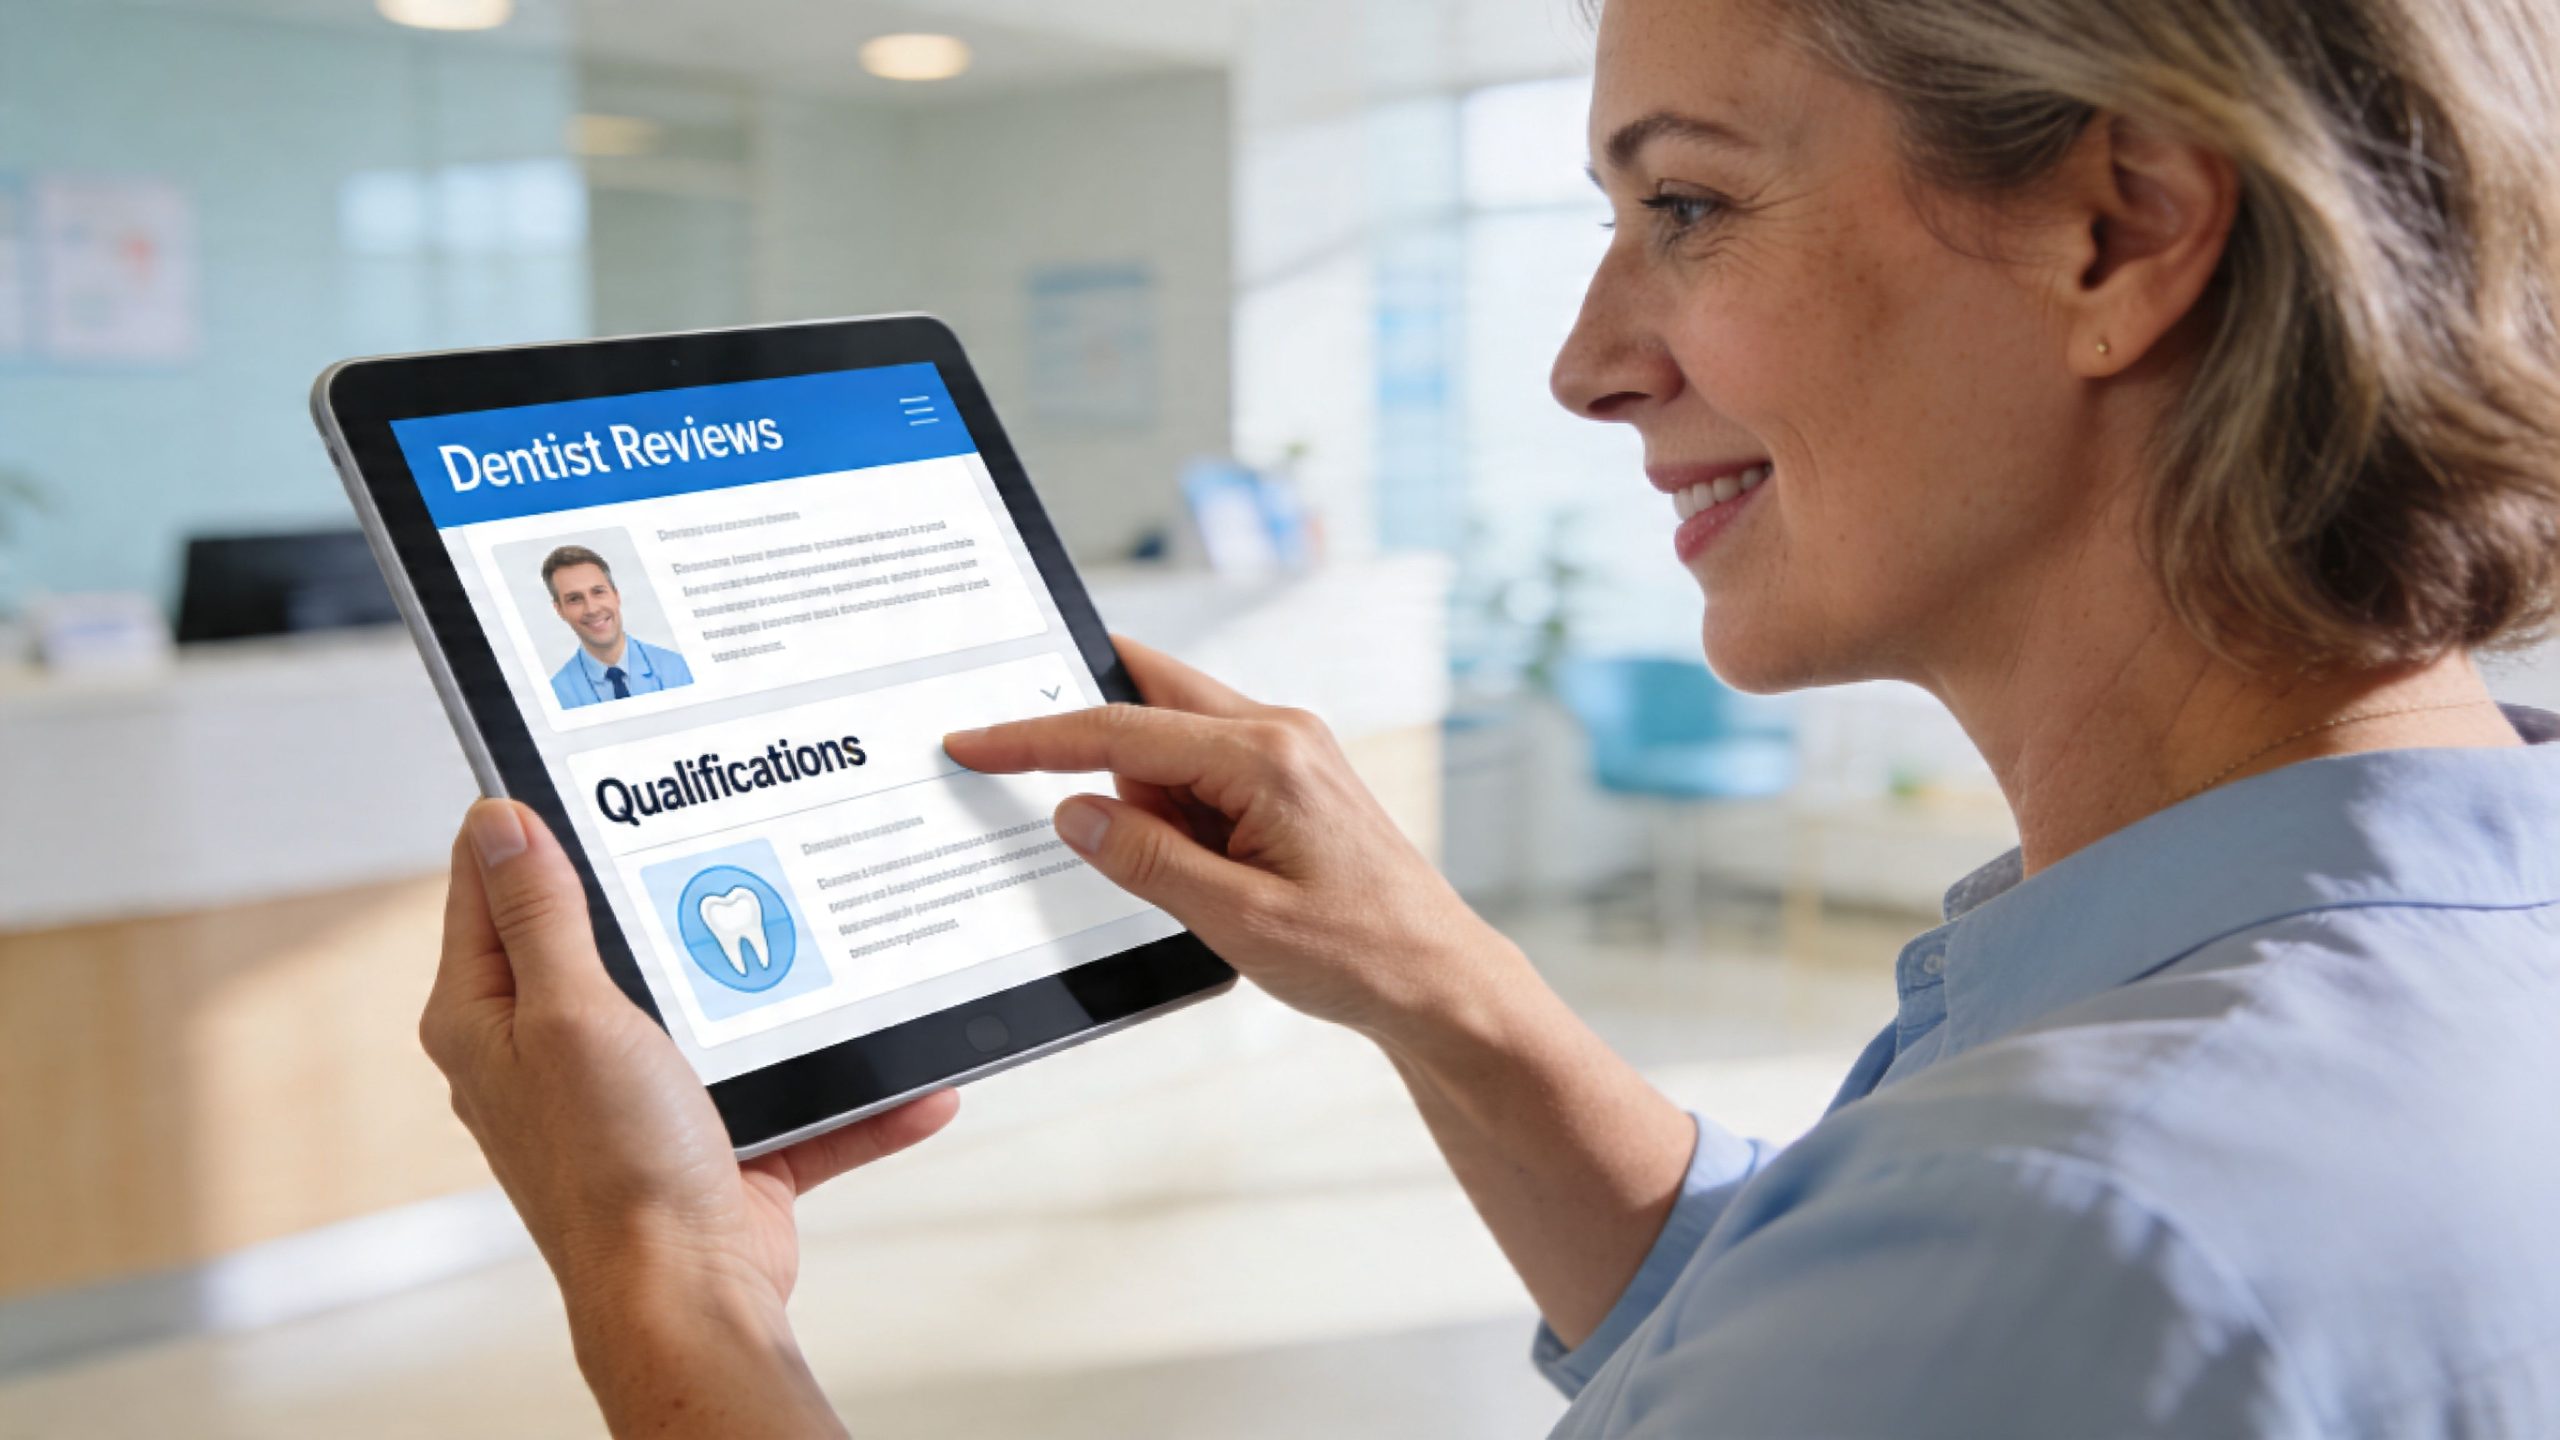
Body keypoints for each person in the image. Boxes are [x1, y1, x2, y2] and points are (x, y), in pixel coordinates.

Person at [422, 0, 2560, 1433]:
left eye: (1686, 205)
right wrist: (1447, 993)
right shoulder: (2353, 973)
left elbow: (1980, 1297)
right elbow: (1809, 1315)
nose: (1586, 359)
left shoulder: (2085, 1216)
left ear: (2117, 232)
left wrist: (663, 1277)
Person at [539, 544, 693, 709]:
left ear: (616, 595)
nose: (592, 609)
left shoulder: (680, 669)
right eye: (574, 599)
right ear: (560, 610)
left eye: (598, 592)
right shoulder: (555, 697)